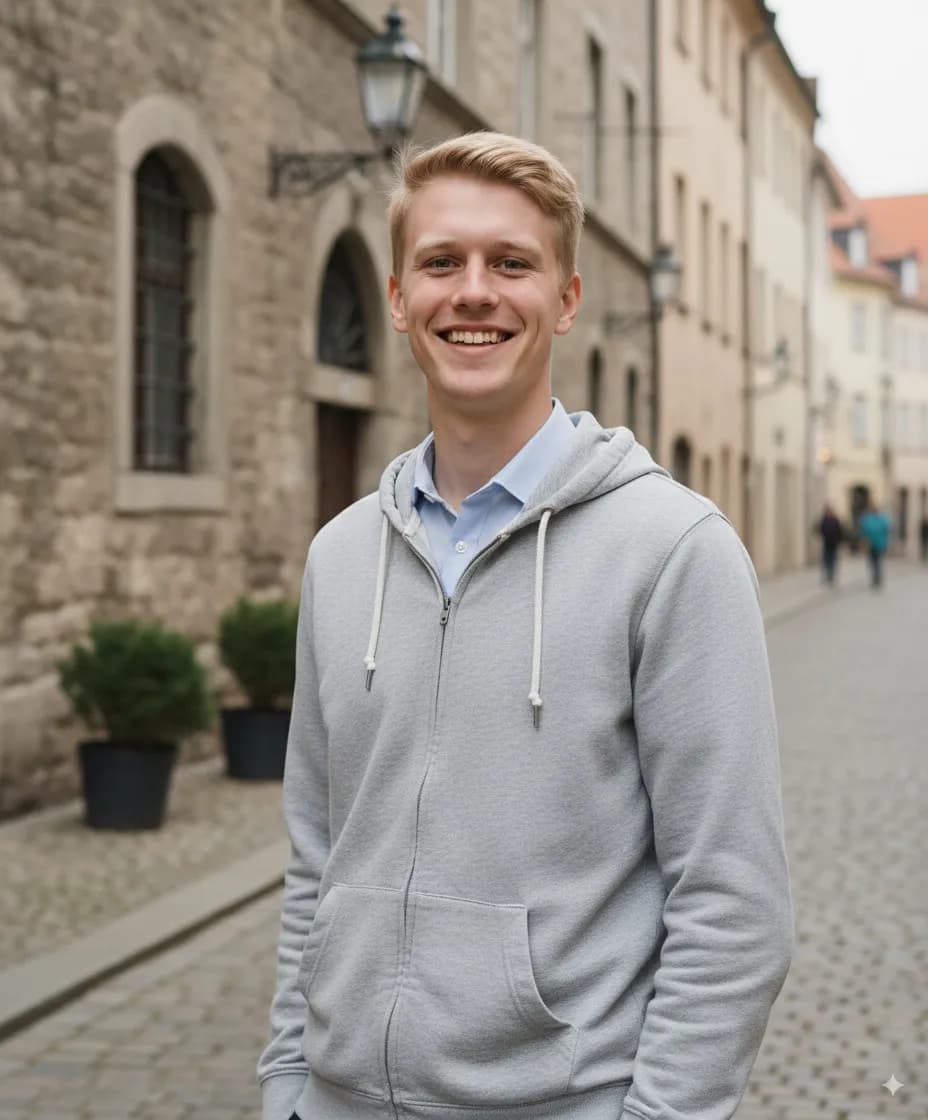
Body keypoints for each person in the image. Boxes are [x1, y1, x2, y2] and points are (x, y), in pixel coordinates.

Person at [258, 132, 792, 1120]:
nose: (474, 292)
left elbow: (733, 902)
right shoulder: (340, 555)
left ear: (566, 297)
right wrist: (288, 1083)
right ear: (397, 297)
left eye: (510, 263)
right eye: (441, 263)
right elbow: (317, 858)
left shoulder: (673, 551)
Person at [858, 502, 891, 588]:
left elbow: (887, 531)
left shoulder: (882, 519)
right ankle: (875, 577)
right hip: (870, 544)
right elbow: (862, 531)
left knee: (877, 561)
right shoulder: (867, 519)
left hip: (879, 544)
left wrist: (886, 544)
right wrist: (863, 542)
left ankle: (877, 578)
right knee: (872, 562)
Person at [817, 503, 843, 585]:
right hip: (827, 543)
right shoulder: (824, 520)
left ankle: (831, 575)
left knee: (832, 560)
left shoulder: (835, 520)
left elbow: (839, 531)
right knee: (826, 560)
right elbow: (821, 530)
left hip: (834, 544)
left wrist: (839, 541)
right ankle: (828, 575)